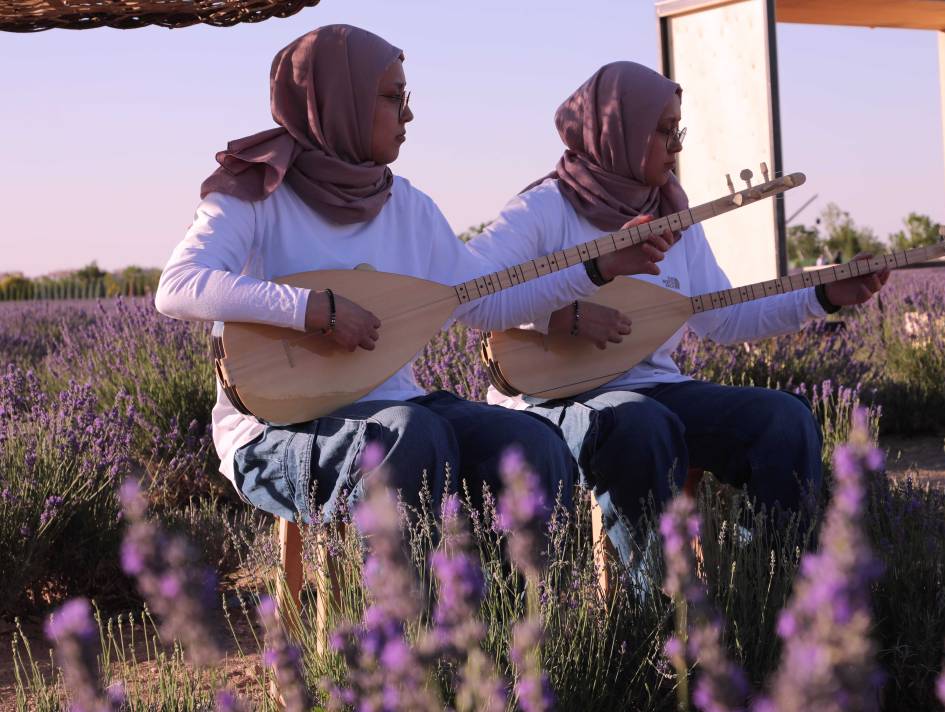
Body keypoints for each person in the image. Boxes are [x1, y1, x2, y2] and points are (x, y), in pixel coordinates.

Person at [154, 27, 672, 524]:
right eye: (391, 98)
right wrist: (313, 310)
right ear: (341, 101)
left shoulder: (409, 207)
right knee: (412, 433)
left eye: (407, 97)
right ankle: (405, 613)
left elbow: (486, 301)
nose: (409, 114)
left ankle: (522, 608)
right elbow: (177, 286)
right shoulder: (257, 191)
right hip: (274, 428)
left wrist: (598, 268)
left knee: (532, 442)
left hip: (398, 411)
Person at [467, 61, 889, 578]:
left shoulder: (673, 216)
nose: (678, 146)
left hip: (654, 390)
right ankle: (660, 614)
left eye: (679, 130)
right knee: (642, 423)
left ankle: (772, 593)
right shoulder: (544, 208)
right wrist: (558, 314)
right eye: (665, 131)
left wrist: (823, 294)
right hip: (551, 399)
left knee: (784, 419)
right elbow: (472, 293)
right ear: (617, 131)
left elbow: (724, 318)